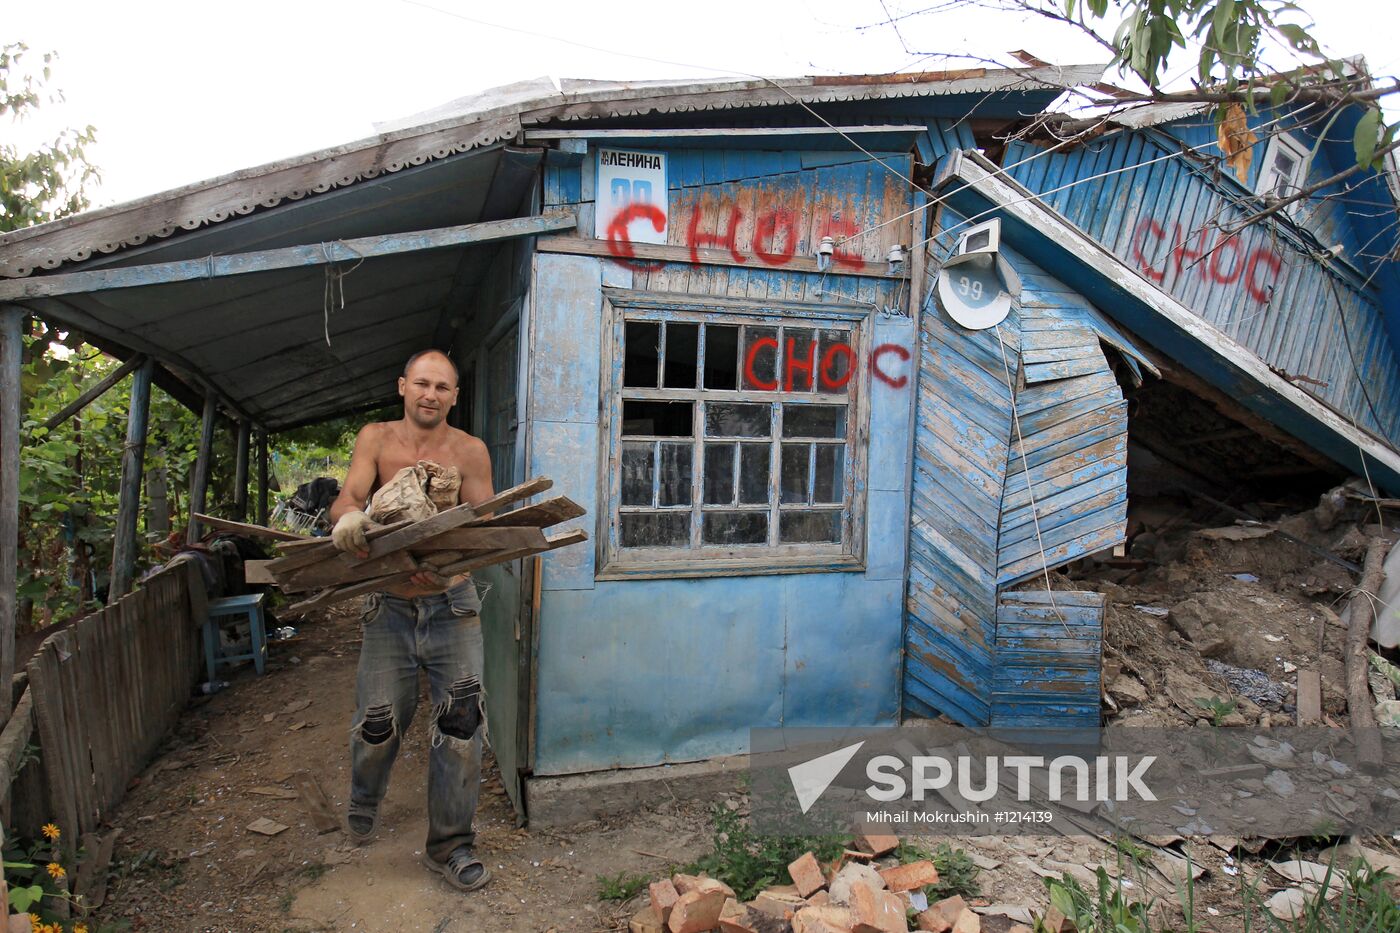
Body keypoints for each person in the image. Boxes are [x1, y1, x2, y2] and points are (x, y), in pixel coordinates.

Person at [328, 348, 495, 892]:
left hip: (453, 606)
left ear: (454, 396)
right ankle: (365, 796)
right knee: (377, 722)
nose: (431, 395)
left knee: (461, 726)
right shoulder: (375, 439)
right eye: (422, 384)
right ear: (402, 386)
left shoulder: (470, 451)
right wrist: (351, 516)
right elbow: (349, 495)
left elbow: (483, 530)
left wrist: (446, 565)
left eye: (442, 387)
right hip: (388, 605)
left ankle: (450, 845)